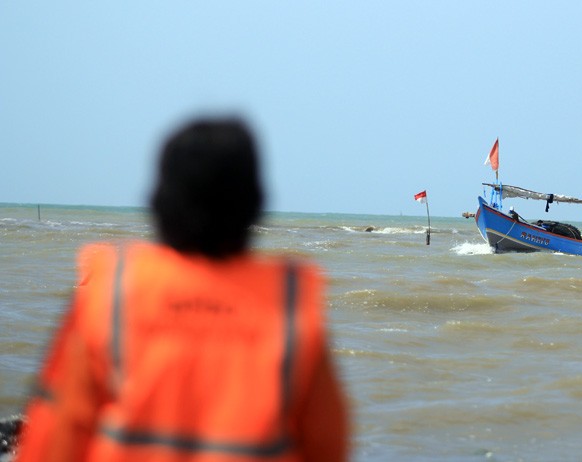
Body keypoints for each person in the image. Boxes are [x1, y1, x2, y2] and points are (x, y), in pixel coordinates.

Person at [16, 117, 349, 462]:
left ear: (159, 199)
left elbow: (53, 440)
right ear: (255, 203)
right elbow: (327, 445)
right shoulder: (291, 308)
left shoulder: (109, 297)